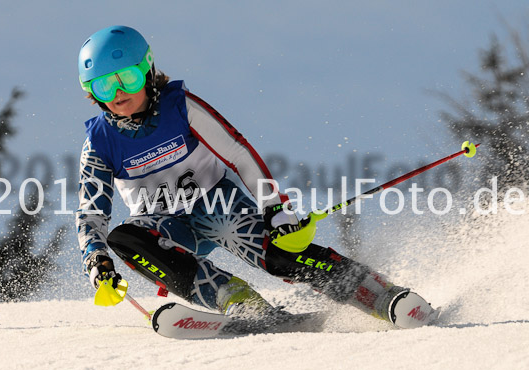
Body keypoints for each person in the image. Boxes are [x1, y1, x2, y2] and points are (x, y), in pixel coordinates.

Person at [76, 25, 437, 329]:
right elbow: (91, 213)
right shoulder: (99, 143)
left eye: (126, 78)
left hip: (217, 204)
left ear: (148, 70)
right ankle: (236, 299)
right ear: (90, 92)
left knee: (280, 253)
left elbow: (237, 152)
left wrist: (275, 209)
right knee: (125, 238)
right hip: (166, 226)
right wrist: (96, 258)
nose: (118, 93)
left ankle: (380, 295)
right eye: (104, 86)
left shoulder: (180, 107)